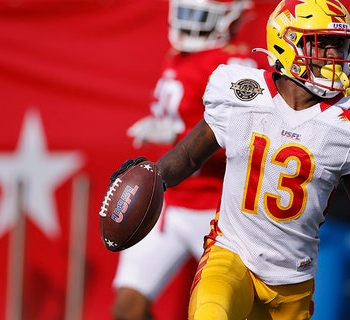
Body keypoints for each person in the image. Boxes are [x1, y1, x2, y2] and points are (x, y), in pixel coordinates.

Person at [110, 0, 350, 319]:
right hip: (230, 254)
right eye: (321, 44)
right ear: (286, 43)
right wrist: (151, 174)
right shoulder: (240, 93)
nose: (333, 55)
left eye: (339, 45)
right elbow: (188, 157)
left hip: (293, 281)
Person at [111, 0, 261, 319]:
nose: (188, 23)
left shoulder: (235, 65)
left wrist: (180, 140)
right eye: (185, 13)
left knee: (233, 312)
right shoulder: (180, 56)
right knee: (127, 308)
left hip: (219, 210)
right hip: (171, 202)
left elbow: (250, 140)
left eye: (199, 16)